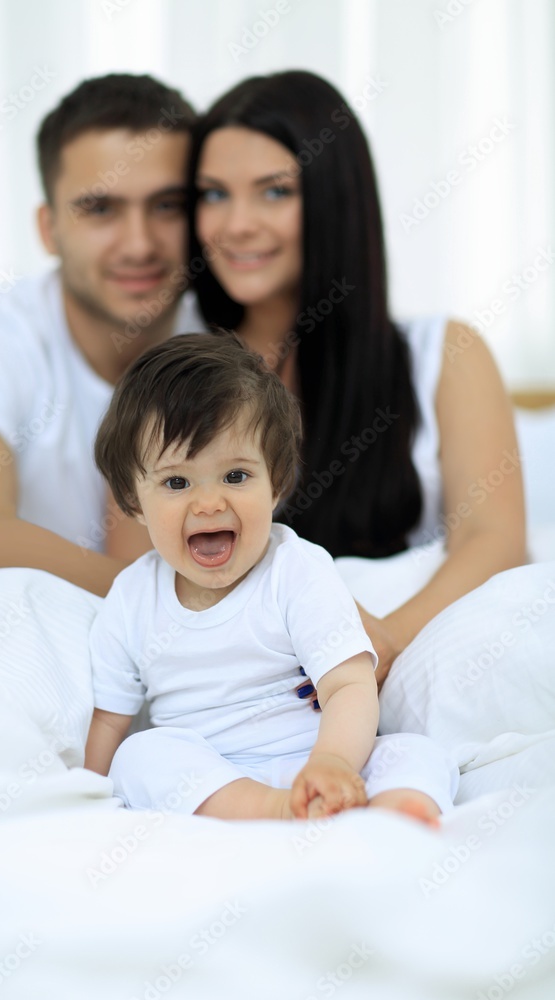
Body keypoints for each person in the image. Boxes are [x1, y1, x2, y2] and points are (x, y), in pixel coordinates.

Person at [186, 70, 526, 685]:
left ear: (334, 198)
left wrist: (384, 640)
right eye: (212, 194)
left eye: (273, 192)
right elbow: (143, 574)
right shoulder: (177, 376)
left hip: (398, 663)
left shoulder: (444, 354)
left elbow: (495, 539)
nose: (234, 225)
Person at [84, 332, 459, 823]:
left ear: (277, 481)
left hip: (319, 760)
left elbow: (349, 685)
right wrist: (84, 794)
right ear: (132, 500)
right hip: (217, 780)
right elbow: (110, 720)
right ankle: (277, 811)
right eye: (177, 482)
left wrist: (331, 762)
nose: (209, 503)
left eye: (235, 476)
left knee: (417, 751)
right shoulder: (131, 598)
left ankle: (392, 811)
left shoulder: (296, 569)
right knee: (139, 756)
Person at [0, 73, 203, 598]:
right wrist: (184, 601)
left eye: (167, 205)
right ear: (47, 228)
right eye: (100, 209)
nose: (139, 244)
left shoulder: (231, 334)